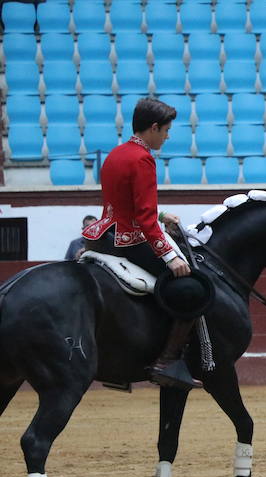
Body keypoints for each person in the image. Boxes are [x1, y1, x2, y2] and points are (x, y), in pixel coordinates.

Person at [82, 97, 201, 390]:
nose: (168, 136)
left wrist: (162, 213)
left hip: (104, 236)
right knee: (191, 289)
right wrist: (171, 257)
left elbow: (124, 201)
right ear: (154, 127)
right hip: (129, 240)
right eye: (166, 130)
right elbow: (145, 220)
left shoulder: (117, 153)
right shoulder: (143, 159)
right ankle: (167, 361)